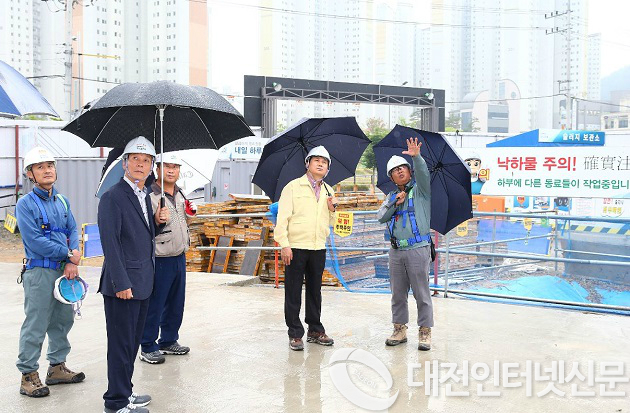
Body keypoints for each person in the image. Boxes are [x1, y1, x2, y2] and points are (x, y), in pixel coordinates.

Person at [98, 136, 169, 413]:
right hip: (123, 285)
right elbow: (111, 244)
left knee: (131, 344)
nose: (141, 164)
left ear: (152, 167)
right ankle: (116, 402)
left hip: (142, 283)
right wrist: (121, 282)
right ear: (125, 163)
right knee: (120, 345)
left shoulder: (143, 195)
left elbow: (140, 237)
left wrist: (157, 223)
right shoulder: (113, 197)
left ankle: (124, 391)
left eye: (146, 160)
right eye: (135, 159)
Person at [15, 146, 85, 398]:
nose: (47, 170)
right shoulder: (25, 205)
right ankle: (28, 375)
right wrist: (68, 254)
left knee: (62, 320)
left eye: (50, 165)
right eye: (40, 167)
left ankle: (56, 368)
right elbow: (34, 241)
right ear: (30, 174)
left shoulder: (62, 201)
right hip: (40, 272)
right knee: (36, 323)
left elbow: (72, 230)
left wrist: (72, 260)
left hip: (64, 271)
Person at [274, 145, 337, 351]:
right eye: (316, 160)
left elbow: (332, 222)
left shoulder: (329, 191)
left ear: (328, 168)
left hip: (318, 247)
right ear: (307, 164)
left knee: (315, 291)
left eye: (324, 162)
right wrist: (284, 244)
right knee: (293, 291)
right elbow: (282, 218)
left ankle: (315, 330)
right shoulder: (293, 187)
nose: (320, 164)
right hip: (296, 247)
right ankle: (295, 333)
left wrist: (332, 209)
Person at [377, 137, 434, 351]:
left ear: (410, 172)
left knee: (421, 293)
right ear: (391, 177)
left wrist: (416, 157)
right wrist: (394, 203)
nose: (399, 171)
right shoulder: (392, 196)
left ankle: (425, 331)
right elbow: (381, 217)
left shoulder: (421, 192)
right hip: (396, 251)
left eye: (403, 167)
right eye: (395, 170)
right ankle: (399, 329)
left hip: (418, 249)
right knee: (398, 294)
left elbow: (424, 175)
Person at [140, 152, 197, 364]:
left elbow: (181, 223)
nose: (171, 170)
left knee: (176, 302)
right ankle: (147, 345)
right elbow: (144, 228)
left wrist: (190, 216)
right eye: (167, 166)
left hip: (179, 255)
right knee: (156, 303)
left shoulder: (180, 194)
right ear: (157, 169)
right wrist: (156, 220)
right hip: (160, 257)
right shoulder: (149, 196)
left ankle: (169, 340)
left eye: (175, 167)